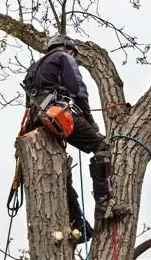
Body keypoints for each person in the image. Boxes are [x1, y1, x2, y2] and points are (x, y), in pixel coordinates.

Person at [21, 34, 130, 243]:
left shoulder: (33, 69)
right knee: (102, 146)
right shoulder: (64, 57)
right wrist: (89, 119)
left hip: (37, 120)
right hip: (58, 113)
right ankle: (104, 203)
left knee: (62, 172)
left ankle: (78, 224)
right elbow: (78, 89)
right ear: (68, 48)